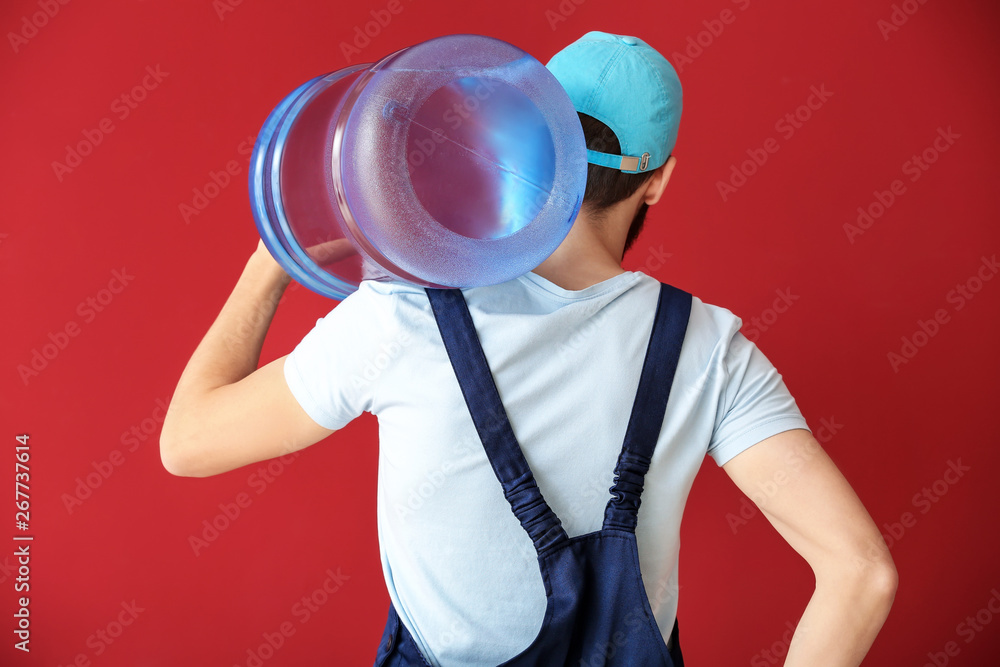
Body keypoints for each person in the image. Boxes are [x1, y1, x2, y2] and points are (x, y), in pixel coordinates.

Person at [160, 31, 897, 666]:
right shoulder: (710, 347)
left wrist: (274, 257)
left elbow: (187, 442)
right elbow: (861, 571)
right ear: (659, 182)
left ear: (522, 136)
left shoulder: (404, 312)